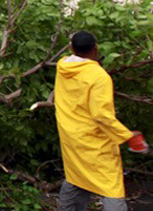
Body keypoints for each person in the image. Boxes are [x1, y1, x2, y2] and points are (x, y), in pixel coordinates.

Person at [55, 31, 149, 211]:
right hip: (94, 142)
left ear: (72, 48)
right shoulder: (99, 76)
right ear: (96, 49)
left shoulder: (63, 68)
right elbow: (101, 116)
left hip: (71, 139)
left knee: (77, 176)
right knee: (110, 186)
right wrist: (128, 136)